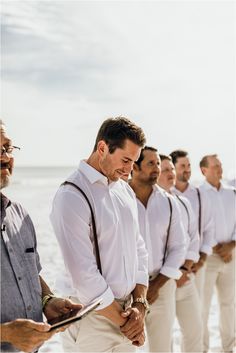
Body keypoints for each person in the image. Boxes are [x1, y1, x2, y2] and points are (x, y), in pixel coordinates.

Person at [50, 117, 149, 352]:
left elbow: (139, 250)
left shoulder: (124, 190)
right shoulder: (72, 195)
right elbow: (84, 277)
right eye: (125, 160)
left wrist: (140, 304)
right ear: (102, 148)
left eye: (134, 162)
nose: (129, 170)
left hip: (128, 313)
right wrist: (127, 323)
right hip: (92, 318)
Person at [0, 120, 82, 353]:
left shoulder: (20, 215)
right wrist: (6, 333)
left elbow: (31, 274)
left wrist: (48, 301)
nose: (5, 157)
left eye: (8, 148)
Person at [129, 146, 186, 352]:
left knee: (163, 347)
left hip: (161, 287)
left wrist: (156, 285)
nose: (157, 169)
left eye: (158, 164)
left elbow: (179, 247)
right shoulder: (118, 198)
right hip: (126, 289)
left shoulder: (169, 202)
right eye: (150, 163)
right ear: (134, 167)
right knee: (125, 346)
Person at [158, 154, 202, 352]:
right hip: (160, 284)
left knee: (194, 332)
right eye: (165, 169)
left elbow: (194, 239)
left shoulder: (183, 202)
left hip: (185, 278)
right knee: (163, 340)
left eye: (171, 169)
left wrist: (184, 268)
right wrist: (167, 277)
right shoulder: (143, 204)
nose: (171, 173)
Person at [199, 154, 235, 353]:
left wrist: (231, 245)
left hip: (231, 256)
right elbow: (198, 225)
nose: (219, 169)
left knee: (228, 305)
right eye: (215, 166)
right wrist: (215, 248)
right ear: (204, 170)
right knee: (203, 306)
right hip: (208, 258)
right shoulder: (199, 194)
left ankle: (228, 348)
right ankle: (203, 349)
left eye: (220, 165)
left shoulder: (232, 192)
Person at [169, 149, 215, 299]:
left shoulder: (201, 194)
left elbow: (208, 228)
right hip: (169, 267)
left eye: (188, 165)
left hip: (195, 266)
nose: (187, 169)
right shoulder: (165, 194)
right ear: (173, 167)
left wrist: (201, 259)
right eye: (182, 166)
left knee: (198, 313)